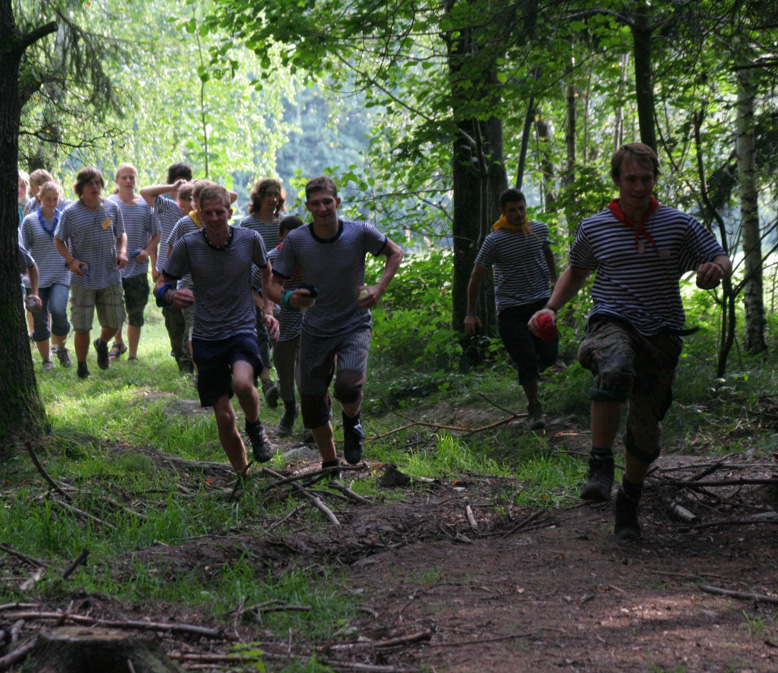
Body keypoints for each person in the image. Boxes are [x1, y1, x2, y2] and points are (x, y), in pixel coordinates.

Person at [528, 142, 731, 540]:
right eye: (631, 179)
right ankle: (600, 464)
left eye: (647, 179)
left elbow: (720, 257)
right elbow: (577, 271)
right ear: (617, 181)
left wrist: (715, 269)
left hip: (662, 334)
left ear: (655, 180)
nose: (639, 187)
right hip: (611, 320)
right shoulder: (595, 226)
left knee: (646, 433)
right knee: (615, 365)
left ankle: (629, 503)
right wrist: (550, 307)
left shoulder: (679, 225)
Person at [267, 176, 403, 473]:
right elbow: (272, 285)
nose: (323, 208)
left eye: (327, 201)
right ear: (308, 207)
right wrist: (289, 298)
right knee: (313, 404)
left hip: (354, 324)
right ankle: (330, 464)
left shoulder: (359, 233)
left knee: (348, 386)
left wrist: (379, 288)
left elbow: (395, 253)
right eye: (315, 203)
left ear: (337, 202)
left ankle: (352, 423)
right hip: (315, 329)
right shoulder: (297, 240)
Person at [155, 185, 275, 473]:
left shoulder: (250, 239)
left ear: (230, 213)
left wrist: (269, 309)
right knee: (222, 415)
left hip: (242, 326)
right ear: (198, 213)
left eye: (219, 212)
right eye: (207, 213)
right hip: (207, 334)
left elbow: (267, 271)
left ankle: (255, 427)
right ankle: (243, 474)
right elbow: (161, 283)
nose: (214, 218)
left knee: (243, 384)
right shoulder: (188, 244)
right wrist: (170, 295)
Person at [464, 188, 558, 430]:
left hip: (541, 303)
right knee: (526, 359)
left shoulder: (539, 230)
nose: (518, 214)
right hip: (511, 308)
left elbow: (548, 253)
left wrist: (555, 283)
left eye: (522, 208)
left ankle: (533, 375)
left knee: (548, 356)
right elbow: (476, 275)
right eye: (513, 210)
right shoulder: (494, 240)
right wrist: (471, 312)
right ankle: (534, 407)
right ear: (503, 212)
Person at [54, 167, 128, 379]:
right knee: (82, 326)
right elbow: (58, 239)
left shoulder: (112, 208)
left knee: (115, 321)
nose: (95, 187)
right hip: (83, 278)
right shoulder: (70, 212)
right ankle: (82, 366)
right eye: (90, 184)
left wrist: (122, 252)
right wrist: (71, 261)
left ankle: (102, 343)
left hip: (110, 274)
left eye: (98, 183)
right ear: (81, 188)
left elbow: (121, 233)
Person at [140, 162, 195, 374]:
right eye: (177, 179)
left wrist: (196, 186)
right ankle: (181, 358)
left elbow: (231, 197)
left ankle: (189, 357)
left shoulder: (200, 203)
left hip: (192, 270)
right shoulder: (168, 205)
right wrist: (171, 188)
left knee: (190, 315)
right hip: (168, 269)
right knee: (172, 317)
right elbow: (144, 192)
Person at [239, 178, 286, 408]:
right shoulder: (247, 225)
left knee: (283, 336)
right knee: (261, 332)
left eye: (276, 194)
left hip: (282, 288)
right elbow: (241, 261)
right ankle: (266, 381)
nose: (273, 199)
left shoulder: (285, 224)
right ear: (259, 197)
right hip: (254, 287)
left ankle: (282, 381)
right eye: (269, 194)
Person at [108, 164, 160, 361]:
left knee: (136, 311)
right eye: (124, 178)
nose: (128, 181)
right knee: (114, 311)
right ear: (117, 181)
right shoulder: (109, 204)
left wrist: (147, 252)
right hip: (113, 269)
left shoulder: (146, 206)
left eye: (131, 177)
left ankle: (132, 355)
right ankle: (118, 343)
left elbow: (157, 234)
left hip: (137, 269)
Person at [20, 181, 72, 370]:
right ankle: (46, 360)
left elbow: (73, 242)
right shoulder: (30, 221)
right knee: (40, 322)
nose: (51, 203)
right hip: (37, 277)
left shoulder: (65, 219)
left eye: (55, 199)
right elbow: (23, 247)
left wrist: (72, 260)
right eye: (47, 199)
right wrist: (24, 270)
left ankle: (61, 348)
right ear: (40, 198)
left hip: (60, 274)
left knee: (59, 311)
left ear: (59, 199)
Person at [262, 215, 306, 437]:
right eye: (289, 238)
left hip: (308, 324)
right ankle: (290, 408)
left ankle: (312, 421)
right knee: (285, 375)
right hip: (281, 326)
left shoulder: (311, 257)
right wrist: (268, 311)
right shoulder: (271, 259)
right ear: (280, 236)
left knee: (306, 374)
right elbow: (256, 288)